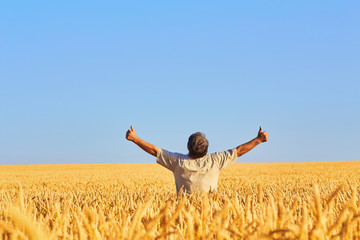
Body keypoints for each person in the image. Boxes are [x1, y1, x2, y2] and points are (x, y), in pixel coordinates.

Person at [126, 126, 268, 196]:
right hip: (210, 216)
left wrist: (135, 139)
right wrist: (259, 140)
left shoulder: (178, 162)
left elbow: (154, 151)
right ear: (207, 148)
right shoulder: (216, 160)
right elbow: (240, 150)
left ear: (188, 146)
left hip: (183, 217)